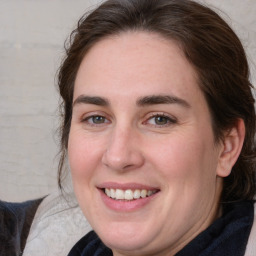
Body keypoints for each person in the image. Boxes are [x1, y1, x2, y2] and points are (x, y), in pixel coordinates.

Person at [0, 0, 255, 255]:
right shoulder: (20, 237)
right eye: (97, 118)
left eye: (159, 119)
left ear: (227, 147)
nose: (118, 156)